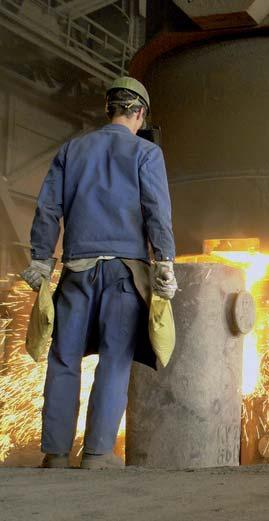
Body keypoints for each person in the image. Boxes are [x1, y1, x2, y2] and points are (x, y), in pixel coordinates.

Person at [20, 77, 178, 469]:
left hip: (76, 271)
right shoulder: (146, 152)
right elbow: (157, 210)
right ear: (139, 113)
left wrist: (41, 259)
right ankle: (97, 454)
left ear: (109, 109)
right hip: (124, 275)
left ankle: (55, 455)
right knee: (114, 359)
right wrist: (164, 261)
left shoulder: (72, 150)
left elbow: (47, 209)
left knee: (64, 358)